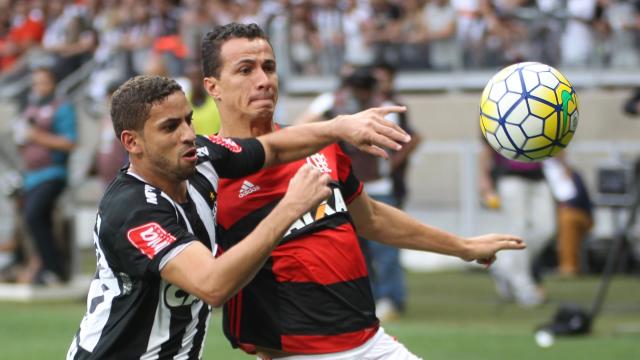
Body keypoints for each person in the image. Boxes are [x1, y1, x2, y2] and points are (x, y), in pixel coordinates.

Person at [205, 23, 525, 359]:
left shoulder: (320, 147)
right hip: (294, 352)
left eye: (268, 67)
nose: (264, 80)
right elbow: (209, 283)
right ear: (213, 86)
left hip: (372, 344)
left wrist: (462, 246)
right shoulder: (207, 172)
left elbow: (370, 218)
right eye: (245, 70)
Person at [66, 74, 411, 359]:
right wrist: (289, 209)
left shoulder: (200, 157)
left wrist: (339, 127)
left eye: (187, 119)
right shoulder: (132, 210)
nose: (187, 134)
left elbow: (273, 147)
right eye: (170, 127)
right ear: (132, 142)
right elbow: (213, 285)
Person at [13, 66, 77, 285]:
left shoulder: (62, 108)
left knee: (34, 216)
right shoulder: (30, 108)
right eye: (36, 82)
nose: (39, 87)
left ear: (53, 84)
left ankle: (53, 268)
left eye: (44, 82)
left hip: (52, 173)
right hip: (31, 176)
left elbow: (69, 142)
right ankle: (49, 267)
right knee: (38, 222)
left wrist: (36, 136)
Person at [479, 141, 555, 307]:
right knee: (518, 232)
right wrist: (484, 180)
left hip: (539, 176)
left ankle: (503, 266)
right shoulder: (491, 114)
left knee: (546, 229)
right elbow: (486, 147)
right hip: (509, 176)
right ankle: (524, 288)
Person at [543, 154, 593, 277]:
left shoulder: (574, 175)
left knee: (567, 218)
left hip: (577, 214)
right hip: (551, 213)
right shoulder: (544, 174)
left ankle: (569, 266)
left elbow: (581, 198)